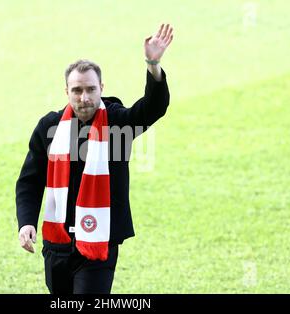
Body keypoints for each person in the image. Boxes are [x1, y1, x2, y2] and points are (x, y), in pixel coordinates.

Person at [16, 24, 174, 294]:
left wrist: (153, 64)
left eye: (90, 89)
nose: (84, 97)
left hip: (100, 242)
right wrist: (27, 221)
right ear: (66, 91)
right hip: (58, 243)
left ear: (101, 87)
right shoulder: (50, 127)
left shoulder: (117, 123)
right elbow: (30, 181)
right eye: (77, 90)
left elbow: (153, 107)